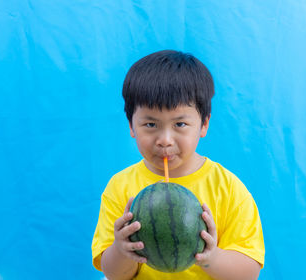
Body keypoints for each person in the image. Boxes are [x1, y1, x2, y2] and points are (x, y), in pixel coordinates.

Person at [91, 50, 265, 280]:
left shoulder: (228, 188)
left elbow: (248, 273)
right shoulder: (120, 187)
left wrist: (211, 257)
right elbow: (114, 274)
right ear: (132, 126)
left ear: (203, 124)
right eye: (151, 124)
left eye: (180, 124)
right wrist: (122, 250)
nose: (165, 139)